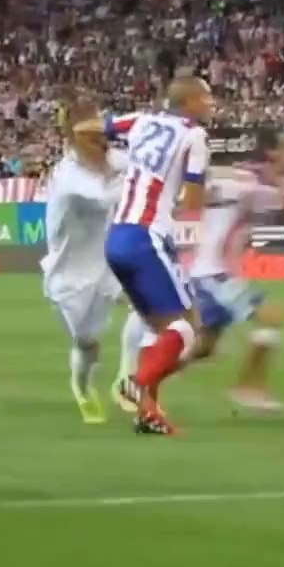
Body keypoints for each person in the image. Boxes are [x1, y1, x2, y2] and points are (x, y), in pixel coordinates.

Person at [104, 76, 213, 436]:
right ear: (190, 102)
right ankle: (136, 383)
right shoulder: (194, 136)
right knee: (187, 328)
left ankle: (147, 413)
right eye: (207, 98)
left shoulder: (140, 120)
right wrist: (209, 197)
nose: (211, 105)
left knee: (159, 330)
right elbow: (193, 200)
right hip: (148, 236)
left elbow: (95, 128)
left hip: (117, 236)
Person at [186, 128, 284, 413]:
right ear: (272, 153)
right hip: (213, 274)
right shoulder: (247, 183)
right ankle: (249, 388)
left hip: (215, 273)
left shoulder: (249, 180)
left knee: (202, 348)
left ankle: (140, 380)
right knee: (271, 317)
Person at [40, 99, 127, 424]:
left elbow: (144, 165)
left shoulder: (114, 158)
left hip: (110, 264)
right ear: (73, 137)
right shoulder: (68, 174)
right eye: (93, 136)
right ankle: (82, 386)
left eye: (102, 133)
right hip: (69, 275)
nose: (102, 142)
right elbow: (104, 197)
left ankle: (129, 382)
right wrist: (133, 180)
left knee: (153, 310)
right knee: (87, 343)